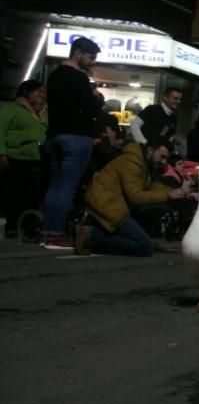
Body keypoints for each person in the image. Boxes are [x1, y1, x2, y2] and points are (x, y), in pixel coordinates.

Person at [40, 36, 105, 249]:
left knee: (56, 185)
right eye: (90, 57)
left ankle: (47, 231)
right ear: (77, 54)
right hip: (76, 137)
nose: (92, 62)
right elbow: (91, 109)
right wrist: (96, 97)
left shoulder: (55, 74)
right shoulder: (78, 78)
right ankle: (57, 233)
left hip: (56, 135)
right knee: (67, 187)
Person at [76, 138, 189, 256]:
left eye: (166, 158)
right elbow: (135, 196)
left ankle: (103, 236)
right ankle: (90, 233)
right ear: (150, 150)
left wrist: (177, 192)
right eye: (162, 156)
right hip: (107, 205)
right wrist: (168, 195)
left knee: (156, 210)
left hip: (118, 205)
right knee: (144, 247)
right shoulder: (132, 162)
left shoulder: (144, 162)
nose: (164, 162)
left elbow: (152, 186)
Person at [0, 80, 48, 237]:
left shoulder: (44, 112)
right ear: (26, 92)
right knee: (14, 194)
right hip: (16, 157)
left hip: (37, 158)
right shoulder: (11, 109)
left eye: (42, 91)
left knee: (32, 195)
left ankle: (29, 226)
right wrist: (2, 153)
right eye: (37, 91)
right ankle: (12, 226)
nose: (41, 94)